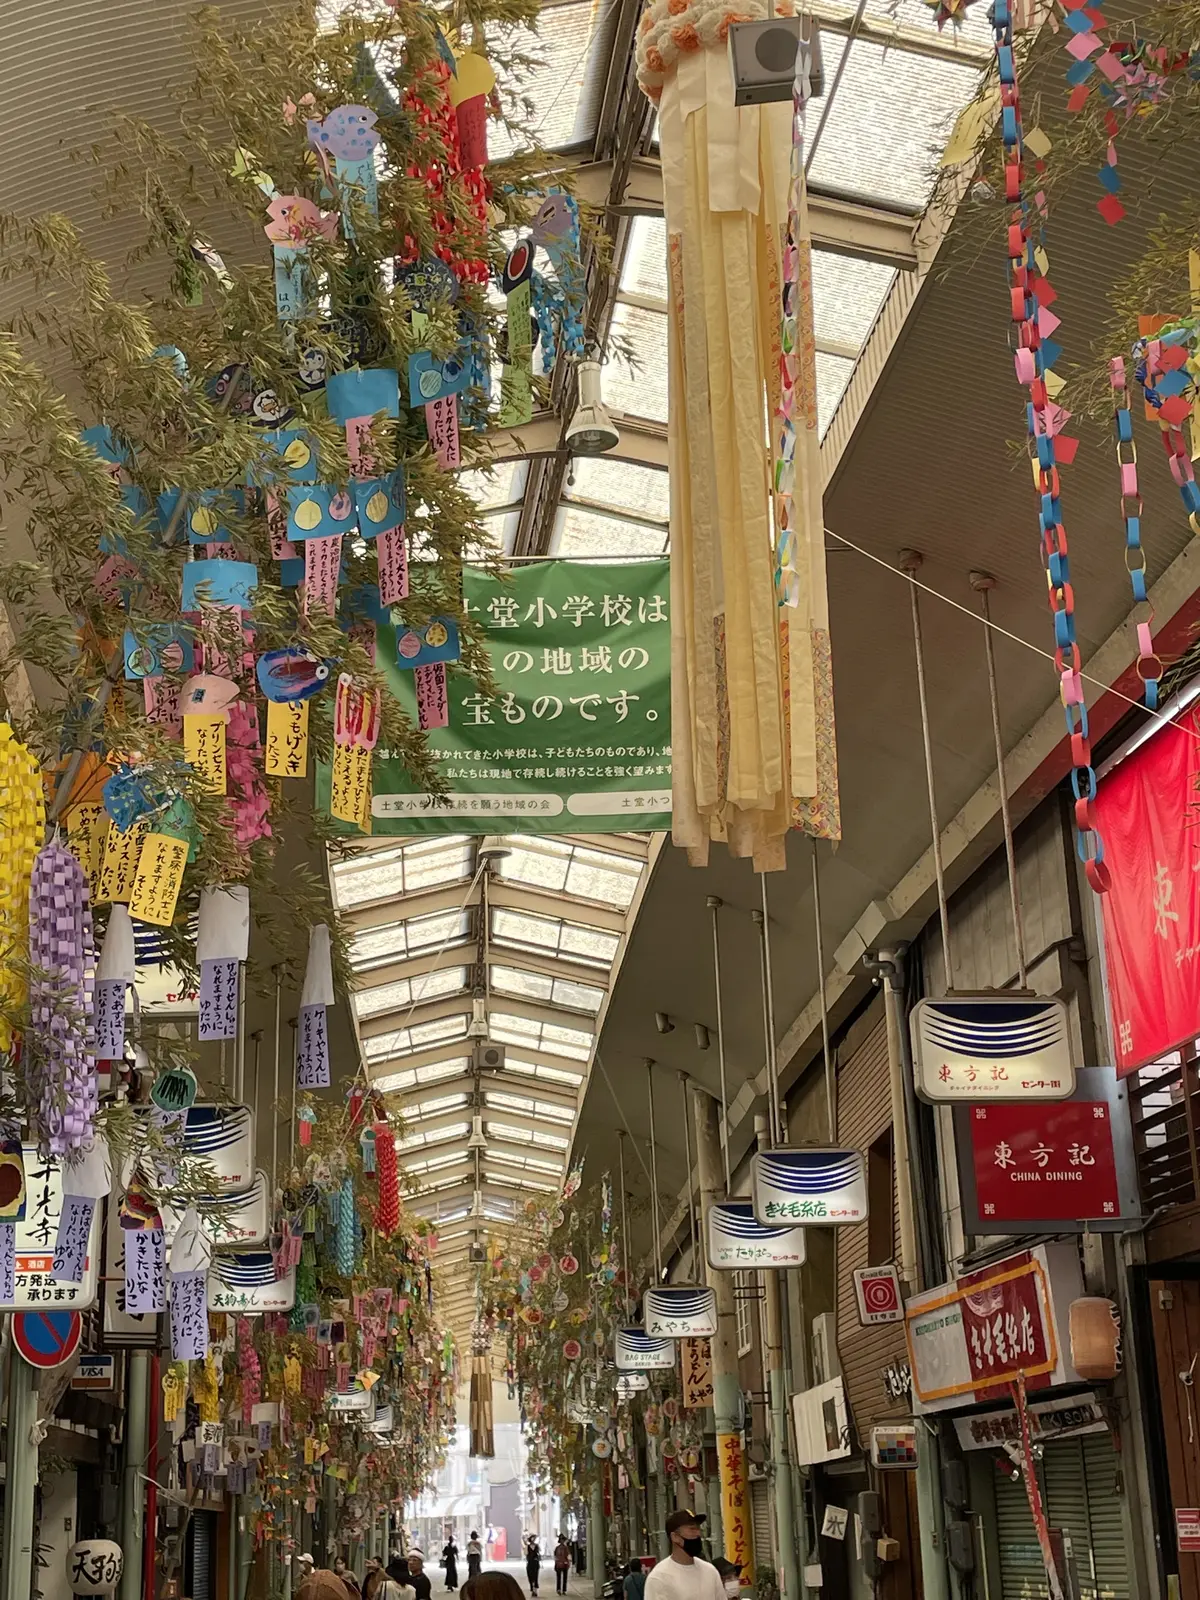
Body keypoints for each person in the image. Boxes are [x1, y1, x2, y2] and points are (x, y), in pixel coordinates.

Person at [643, 1513, 723, 1600]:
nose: (698, 1534)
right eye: (692, 1529)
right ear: (675, 1537)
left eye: (698, 1529)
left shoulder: (710, 1571)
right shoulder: (659, 1577)